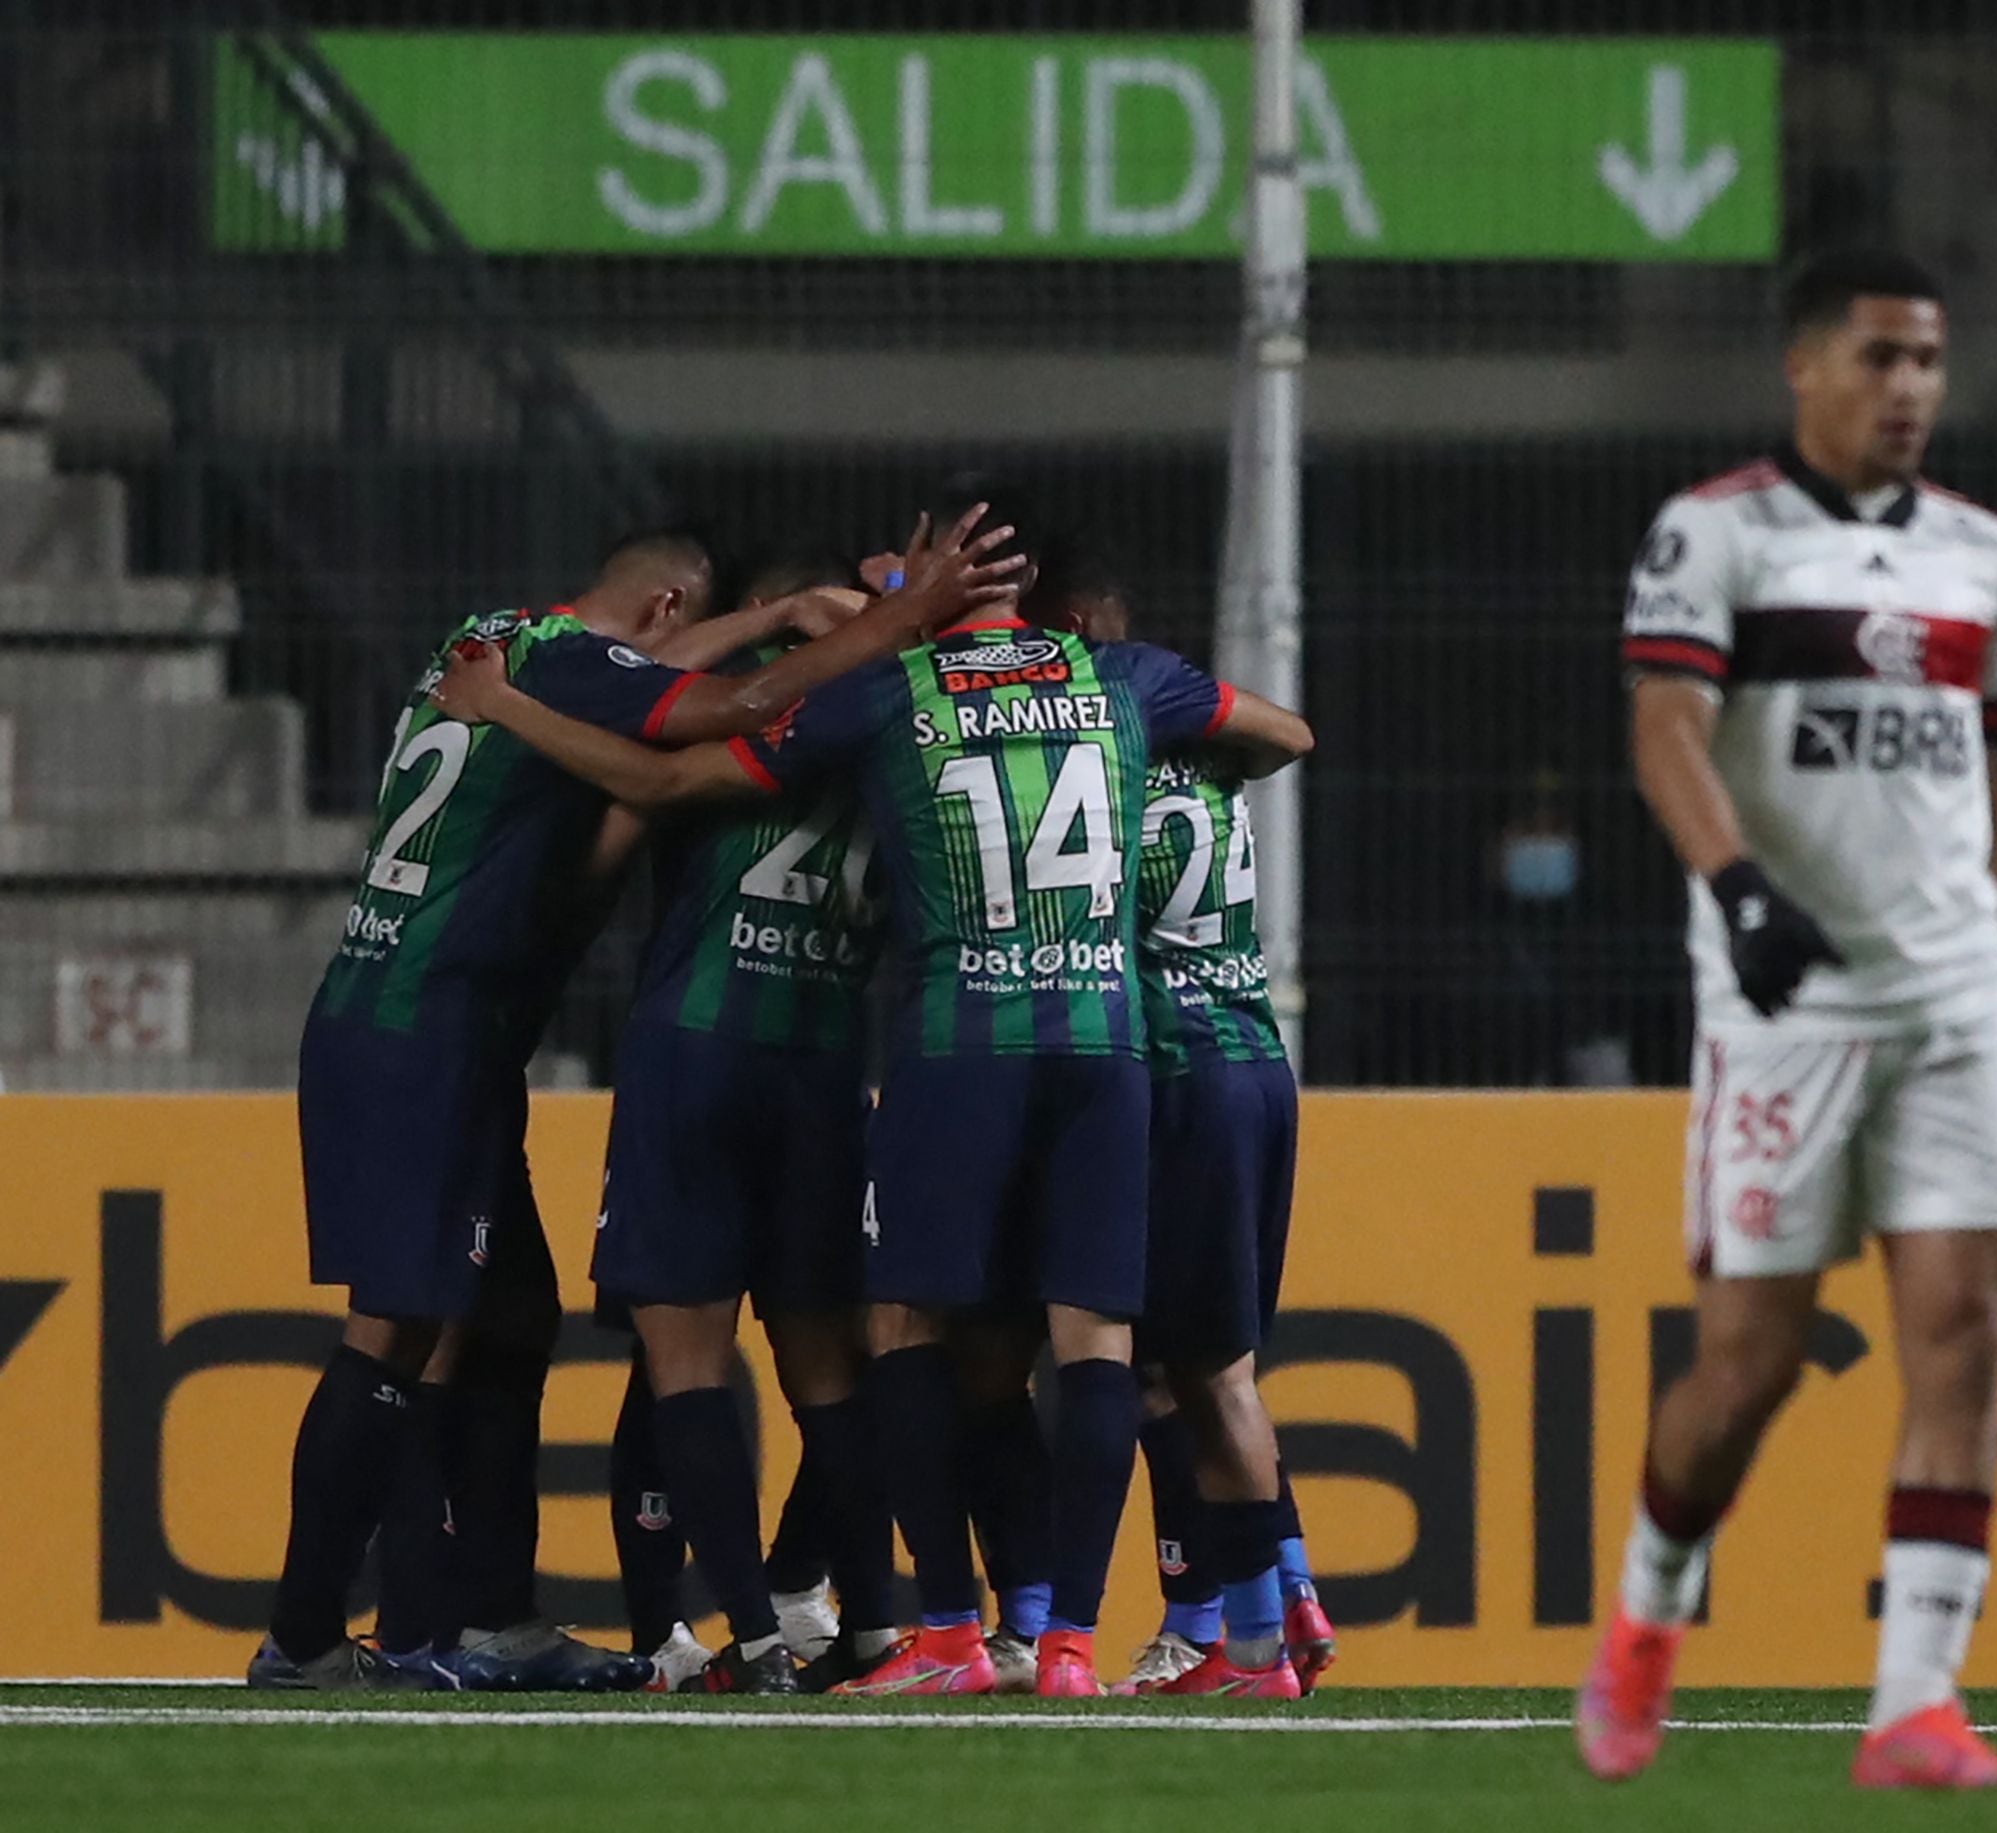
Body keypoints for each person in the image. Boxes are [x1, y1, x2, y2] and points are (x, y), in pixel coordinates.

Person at [434, 483, 1312, 1698]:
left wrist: (519, 703)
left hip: (932, 1046)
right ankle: (1064, 1641)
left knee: (880, 1334)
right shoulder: (1120, 684)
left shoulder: (880, 696)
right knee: (1089, 1342)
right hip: (1097, 1045)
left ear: (929, 572)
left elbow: (682, 773)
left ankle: (892, 1633)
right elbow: (1288, 734)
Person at [257, 518, 1019, 1691]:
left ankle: (491, 1621)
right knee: (403, 1330)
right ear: (664, 611)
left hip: (409, 1024)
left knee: (510, 1320)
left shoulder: (495, 637)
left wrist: (768, 612)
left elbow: (651, 675)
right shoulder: (557, 678)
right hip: (427, 1033)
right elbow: (729, 708)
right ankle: (307, 1638)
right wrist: (894, 622)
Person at [1576, 248, 1997, 1791]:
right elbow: (1666, 728)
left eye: (1928, 359)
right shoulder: (1714, 534)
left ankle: (1913, 1706)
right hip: (1785, 1006)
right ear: (1807, 366)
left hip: (1950, 1003)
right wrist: (1734, 886)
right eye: (1881, 357)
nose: (1911, 387)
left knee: (1965, 1326)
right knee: (1750, 1366)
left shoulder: (1989, 558)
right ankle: (1646, 1620)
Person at [568, 556, 911, 1696]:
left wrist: (762, 623)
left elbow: (610, 686)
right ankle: (867, 1627)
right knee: (830, 1366)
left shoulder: (750, 704)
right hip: (821, 1069)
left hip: (696, 1056)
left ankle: (749, 1641)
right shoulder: (900, 727)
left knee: (682, 1360)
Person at [1068, 587, 1332, 1700]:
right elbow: (1284, 737)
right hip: (1257, 1060)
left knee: (1192, 1375)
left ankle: (1259, 1635)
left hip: (1179, 1070)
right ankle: (1278, 1611)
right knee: (1199, 1364)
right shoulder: (1210, 759)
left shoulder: (1097, 773)